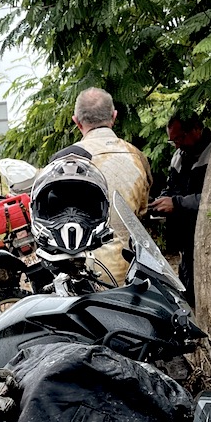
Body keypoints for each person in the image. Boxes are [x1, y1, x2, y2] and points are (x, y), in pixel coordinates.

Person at [53, 87, 151, 285]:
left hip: (81, 275)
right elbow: (141, 211)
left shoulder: (63, 160)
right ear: (114, 116)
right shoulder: (138, 157)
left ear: (76, 121)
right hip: (131, 270)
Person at [149, 114, 211, 305]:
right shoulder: (179, 155)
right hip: (186, 240)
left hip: (209, 239)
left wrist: (176, 203)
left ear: (196, 129)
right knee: (187, 291)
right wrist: (159, 201)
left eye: (180, 138)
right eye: (173, 141)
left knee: (206, 296)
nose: (177, 145)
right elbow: (172, 188)